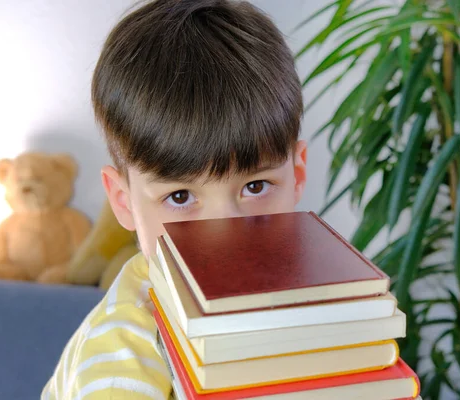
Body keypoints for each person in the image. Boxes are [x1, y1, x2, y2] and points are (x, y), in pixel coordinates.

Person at [41, 0, 307, 398]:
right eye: (180, 196)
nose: (224, 237)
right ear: (124, 201)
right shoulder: (121, 355)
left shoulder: (305, 299)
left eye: (255, 187)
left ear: (297, 175)